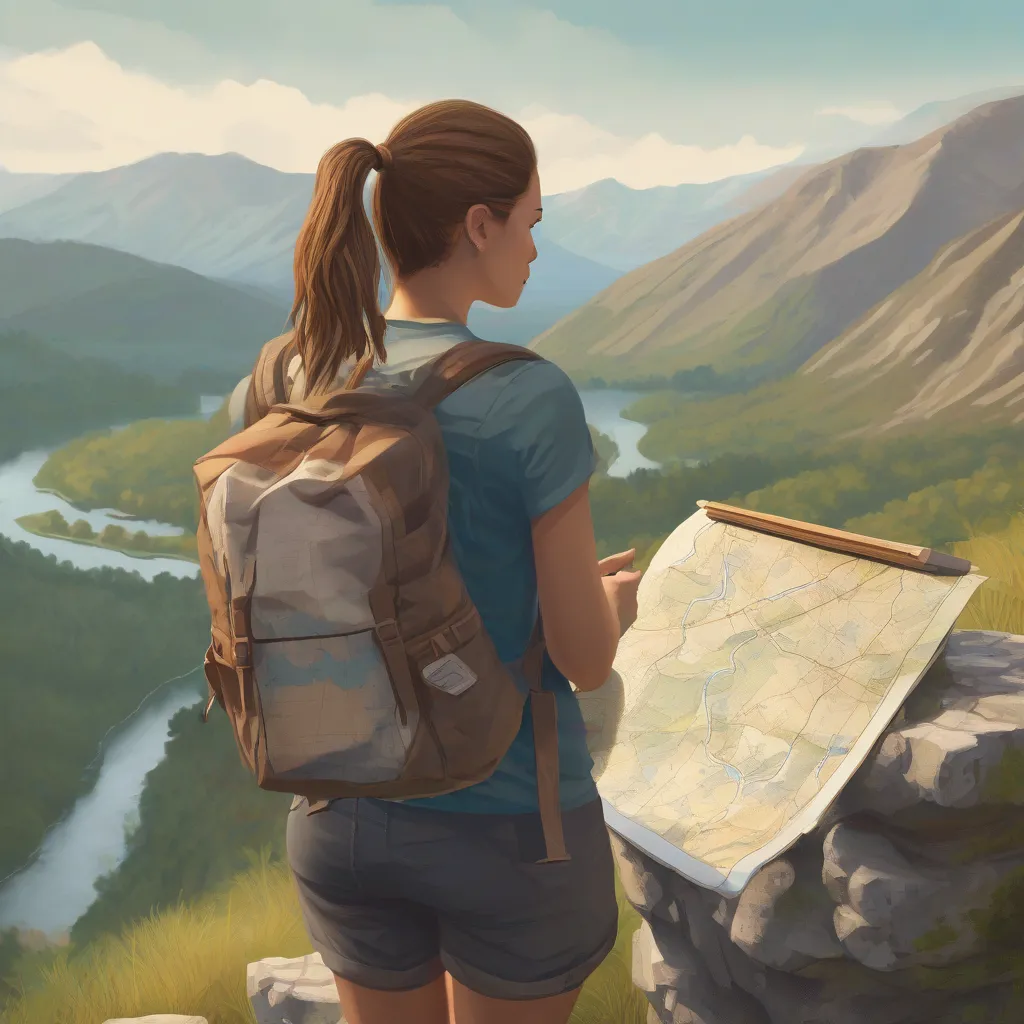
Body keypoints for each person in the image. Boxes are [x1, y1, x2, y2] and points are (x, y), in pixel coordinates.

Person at [226, 98, 643, 1024]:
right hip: (509, 828)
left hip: (337, 814)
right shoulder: (526, 394)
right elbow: (584, 659)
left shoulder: (286, 372)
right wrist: (611, 599)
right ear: (478, 225)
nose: (534, 247)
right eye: (530, 223)